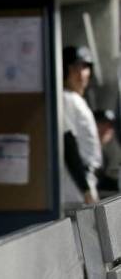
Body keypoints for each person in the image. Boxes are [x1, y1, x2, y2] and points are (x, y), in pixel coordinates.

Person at [61, 46, 102, 206]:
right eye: (74, 68)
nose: (80, 73)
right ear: (65, 70)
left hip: (86, 178)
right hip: (75, 184)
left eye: (84, 67)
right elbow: (68, 142)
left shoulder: (77, 99)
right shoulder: (65, 98)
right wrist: (84, 189)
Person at [95, 109, 120, 193]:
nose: (107, 129)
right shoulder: (83, 149)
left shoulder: (110, 152)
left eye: (110, 126)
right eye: (102, 123)